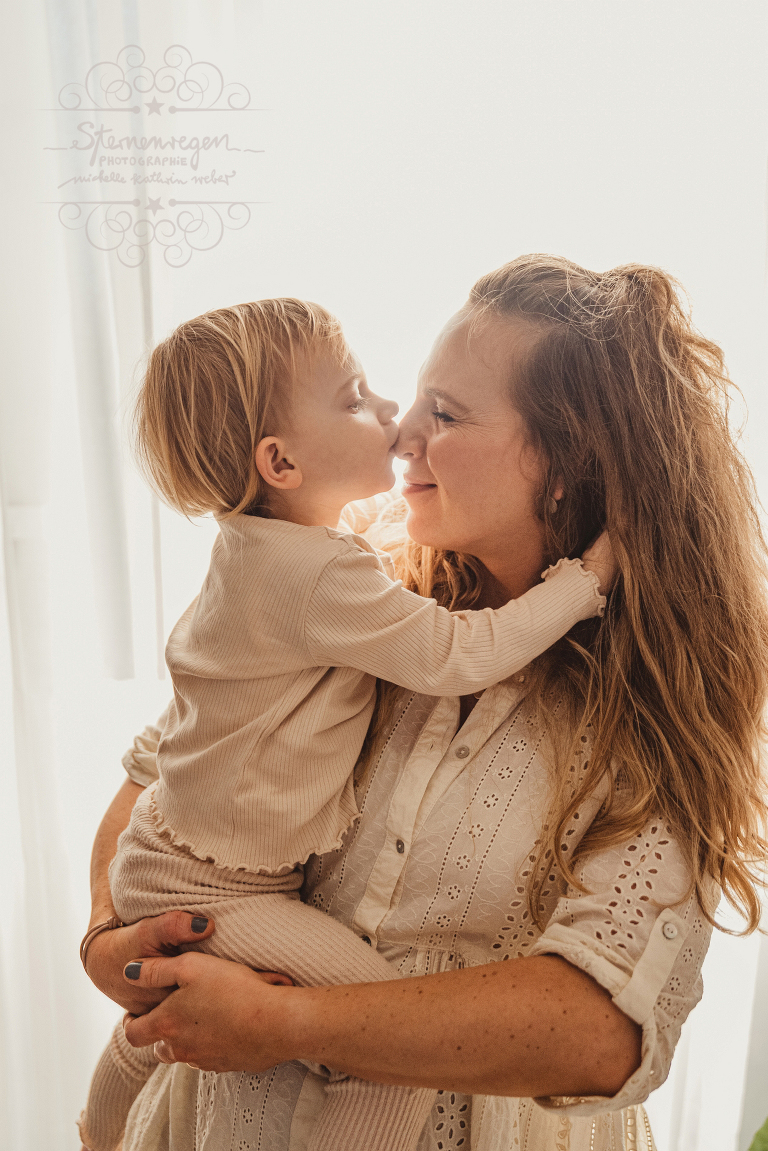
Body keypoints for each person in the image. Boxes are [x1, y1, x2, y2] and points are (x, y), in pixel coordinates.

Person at [82, 256, 768, 1151]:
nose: (402, 430)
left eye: (444, 413)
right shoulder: (343, 566)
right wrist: (113, 934)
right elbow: (161, 774)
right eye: (410, 399)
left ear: (567, 465)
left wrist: (290, 1027)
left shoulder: (659, 701)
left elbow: (600, 1032)